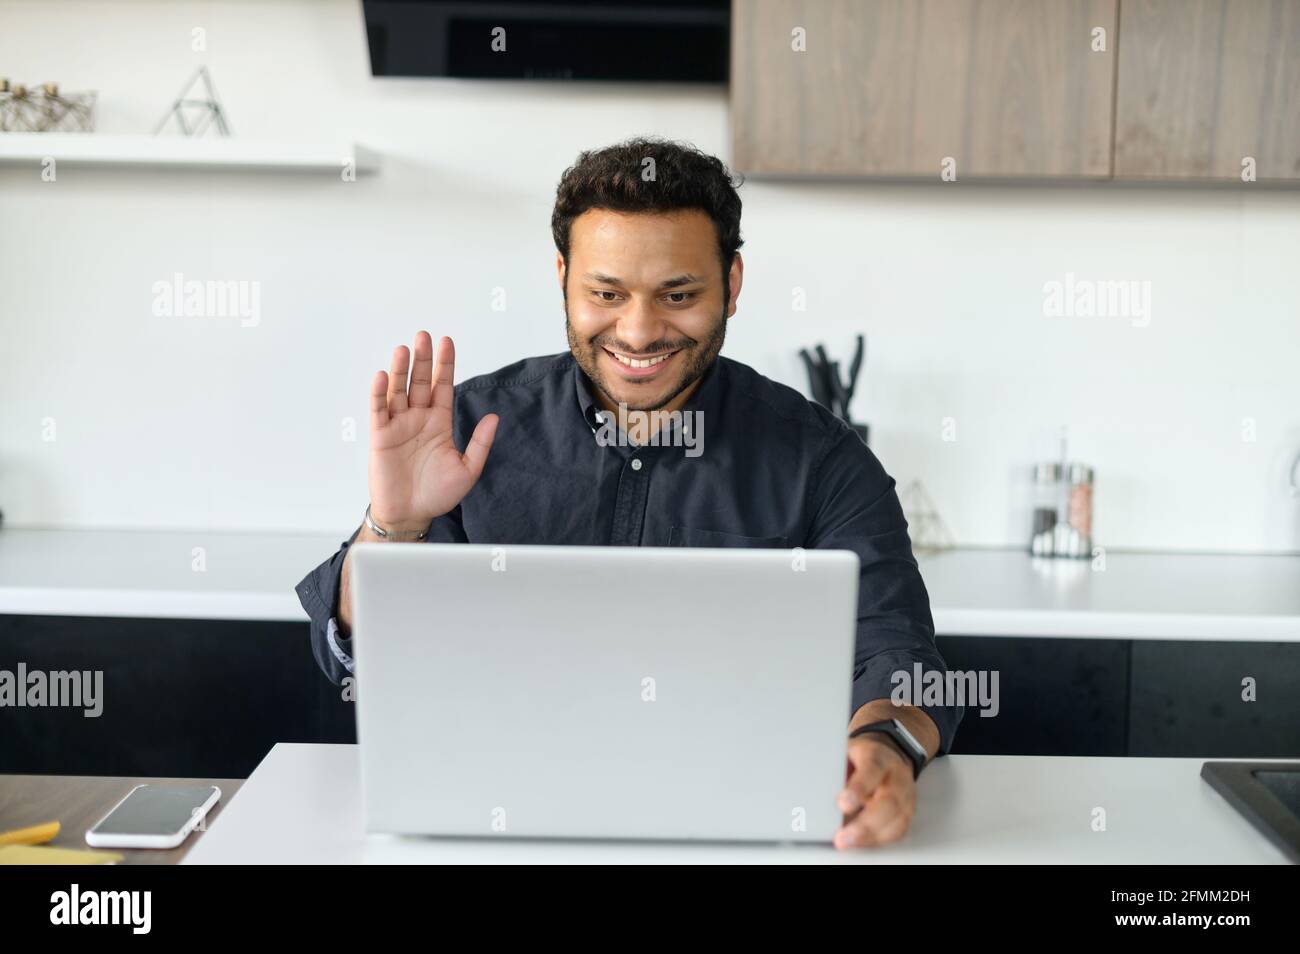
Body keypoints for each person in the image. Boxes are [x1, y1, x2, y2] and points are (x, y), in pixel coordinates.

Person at [296, 137, 962, 849]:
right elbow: (354, 657)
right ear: (562, 280)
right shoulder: (464, 430)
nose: (639, 331)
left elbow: (899, 654)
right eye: (606, 294)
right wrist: (394, 528)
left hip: (742, 830)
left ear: (732, 284)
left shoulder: (823, 459)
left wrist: (889, 747)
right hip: (492, 828)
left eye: (679, 295)